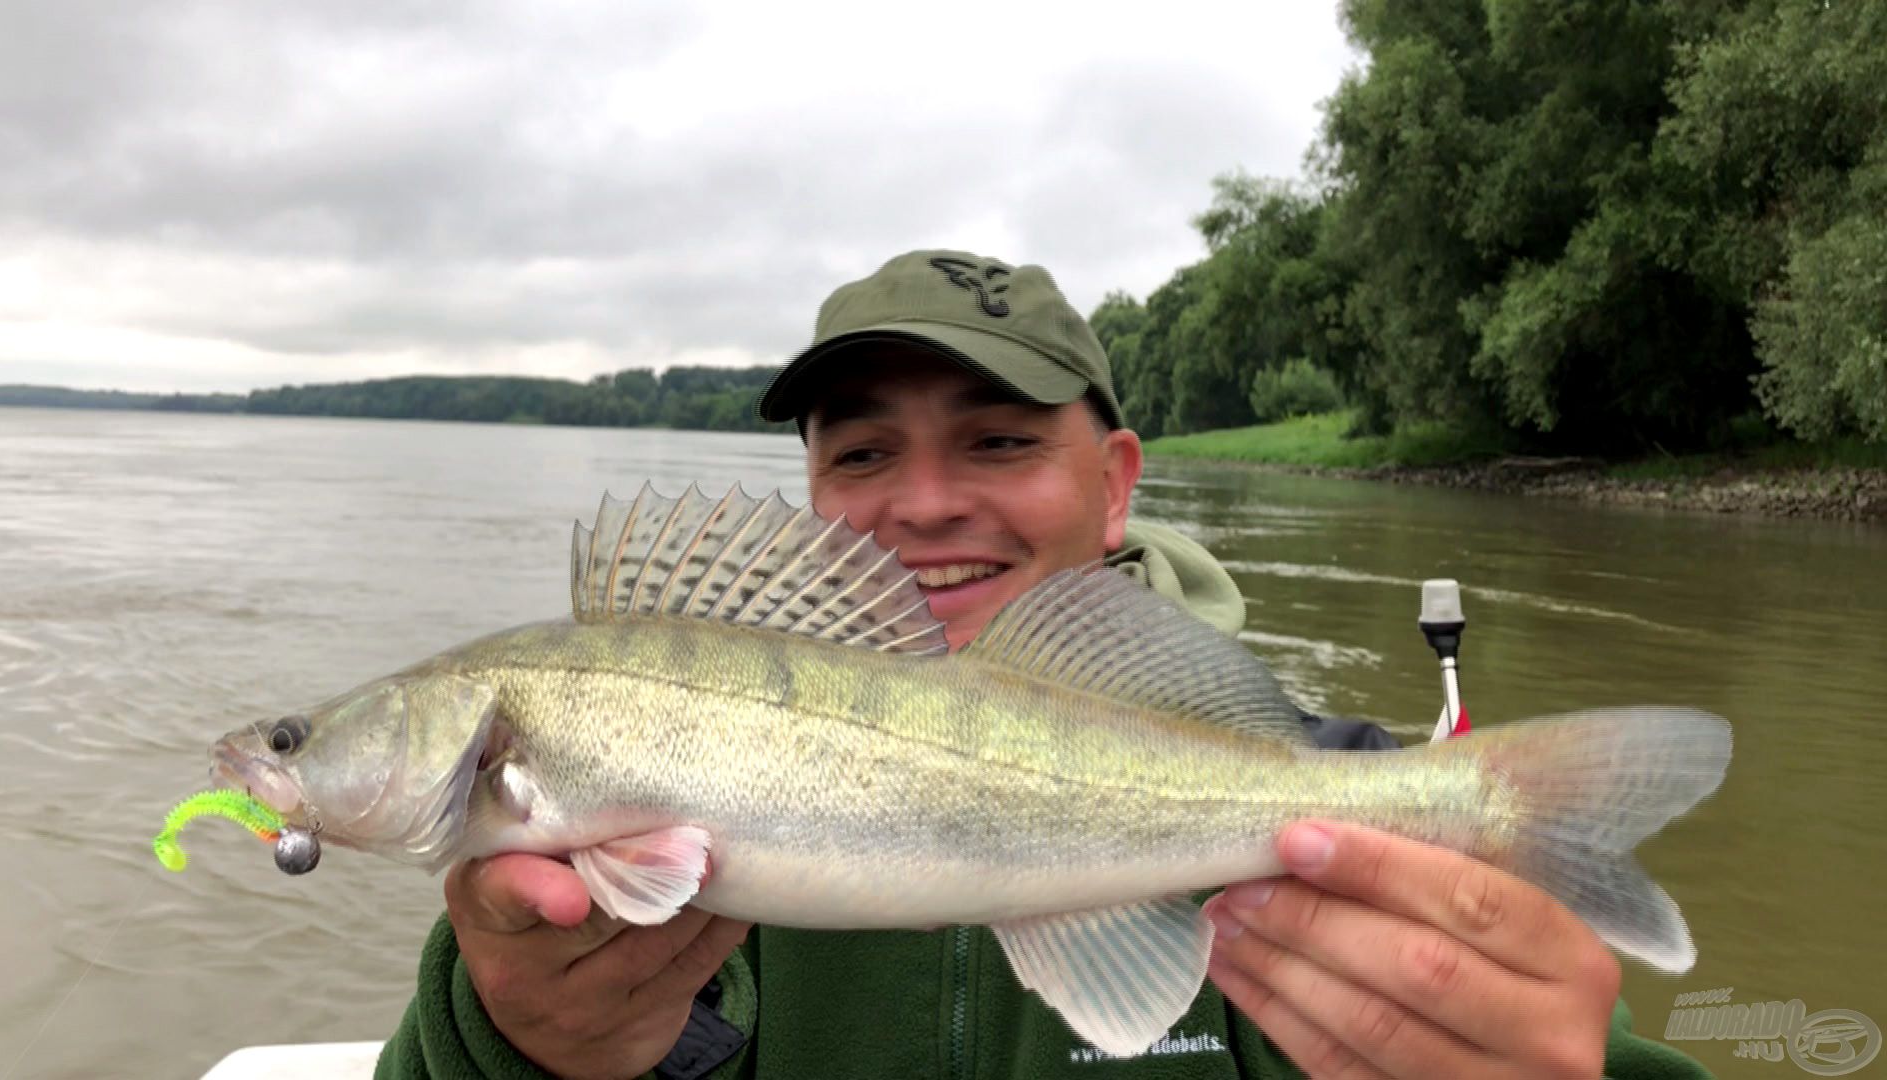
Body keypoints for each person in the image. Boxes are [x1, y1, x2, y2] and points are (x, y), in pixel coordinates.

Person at [377, 250, 1711, 1079]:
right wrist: (516, 1051)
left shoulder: (1333, 803)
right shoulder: (624, 860)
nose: (926, 502)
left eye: (1001, 441)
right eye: (860, 452)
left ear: (1118, 483)